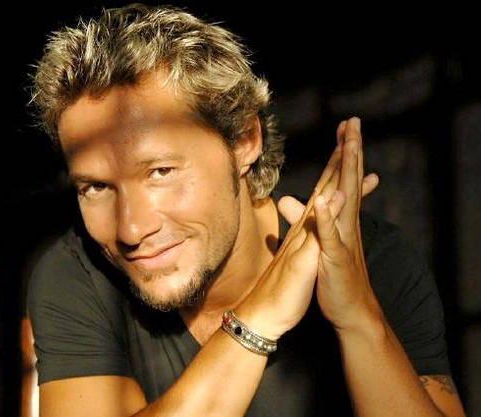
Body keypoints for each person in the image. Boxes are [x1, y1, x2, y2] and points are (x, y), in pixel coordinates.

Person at [27, 4, 466, 416]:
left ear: (243, 141)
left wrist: (358, 319)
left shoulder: (371, 258)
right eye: (96, 187)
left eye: (160, 172)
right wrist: (261, 314)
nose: (131, 228)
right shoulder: (77, 275)